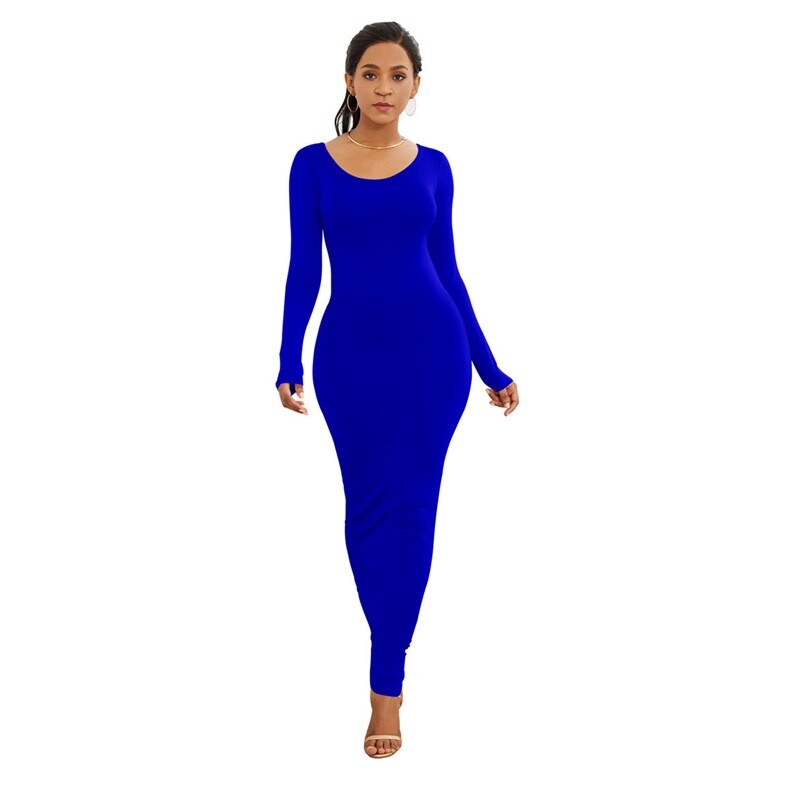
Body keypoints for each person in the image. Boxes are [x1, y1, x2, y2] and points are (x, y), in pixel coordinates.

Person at [275, 21, 519, 759]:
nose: (385, 87)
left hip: (431, 359)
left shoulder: (435, 167)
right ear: (350, 81)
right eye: (371, 74)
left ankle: (387, 683)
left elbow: (449, 271)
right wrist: (288, 357)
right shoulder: (312, 165)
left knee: (411, 514)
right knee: (367, 514)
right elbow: (303, 269)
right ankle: (389, 653)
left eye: (399, 75)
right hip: (350, 362)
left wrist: (488, 365)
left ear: (416, 86)